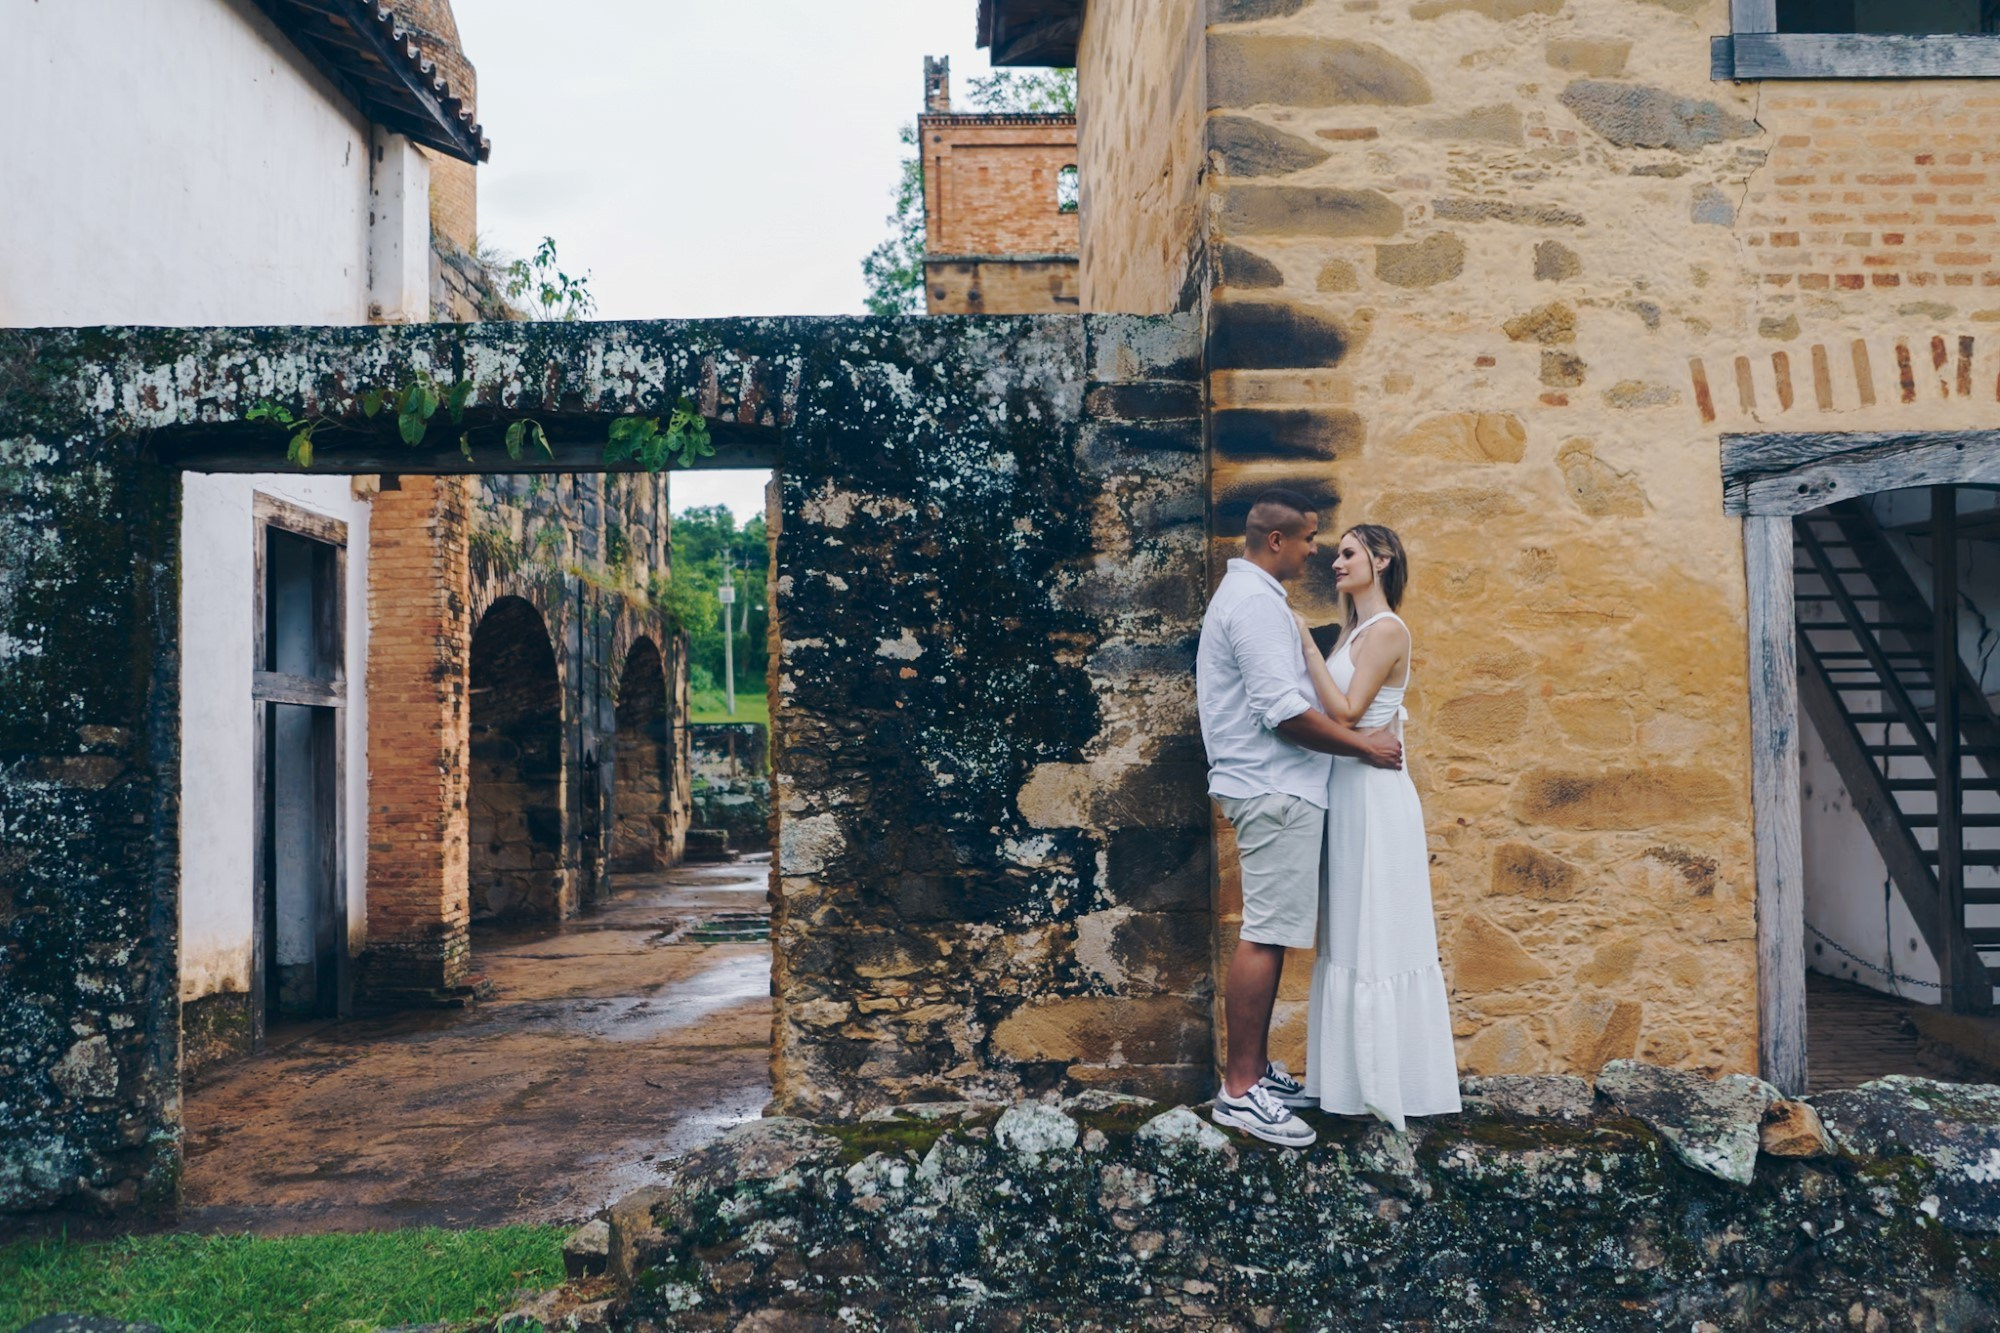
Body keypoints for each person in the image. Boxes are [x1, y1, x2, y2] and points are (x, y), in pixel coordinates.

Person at [1196, 490, 1404, 1147]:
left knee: (1275, 929)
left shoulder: (1261, 599)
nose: (1317, 550)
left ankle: (1254, 1073)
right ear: (1277, 542)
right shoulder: (1254, 603)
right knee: (1265, 932)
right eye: (1310, 539)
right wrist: (1364, 745)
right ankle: (1240, 1091)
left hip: (1273, 787)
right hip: (1273, 787)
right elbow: (1282, 709)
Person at [1292, 524, 1461, 1131]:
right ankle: (1344, 1082)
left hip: (1374, 797)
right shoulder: (1355, 633)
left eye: (1348, 553)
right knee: (1346, 932)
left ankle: (1393, 1083)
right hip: (1348, 787)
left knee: (1378, 932)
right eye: (1336, 553)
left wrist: (1306, 646)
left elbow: (1346, 712)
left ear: (1381, 560)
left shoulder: (1387, 630)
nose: (1335, 563)